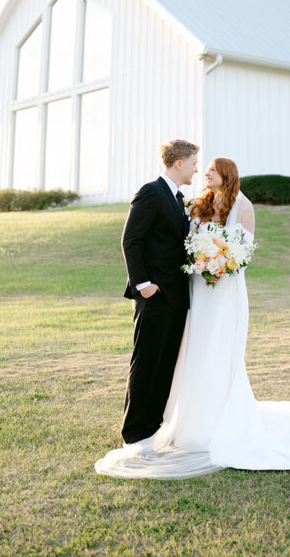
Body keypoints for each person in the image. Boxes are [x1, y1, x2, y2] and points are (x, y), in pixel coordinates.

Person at [96, 157, 290, 478]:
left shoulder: (243, 206)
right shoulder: (198, 203)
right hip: (195, 288)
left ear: (227, 175)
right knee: (192, 348)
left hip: (223, 288)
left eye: (213, 169)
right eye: (205, 168)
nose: (206, 173)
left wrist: (217, 261)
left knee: (217, 349)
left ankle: (213, 420)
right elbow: (181, 242)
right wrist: (197, 259)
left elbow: (241, 253)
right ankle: (183, 418)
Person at [119, 138, 199, 445]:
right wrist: (143, 286)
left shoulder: (177, 198)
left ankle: (151, 430)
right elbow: (131, 241)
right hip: (154, 296)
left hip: (177, 298)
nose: (195, 167)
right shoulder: (151, 192)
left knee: (165, 364)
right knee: (147, 363)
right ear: (179, 163)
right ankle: (134, 434)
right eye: (193, 162)